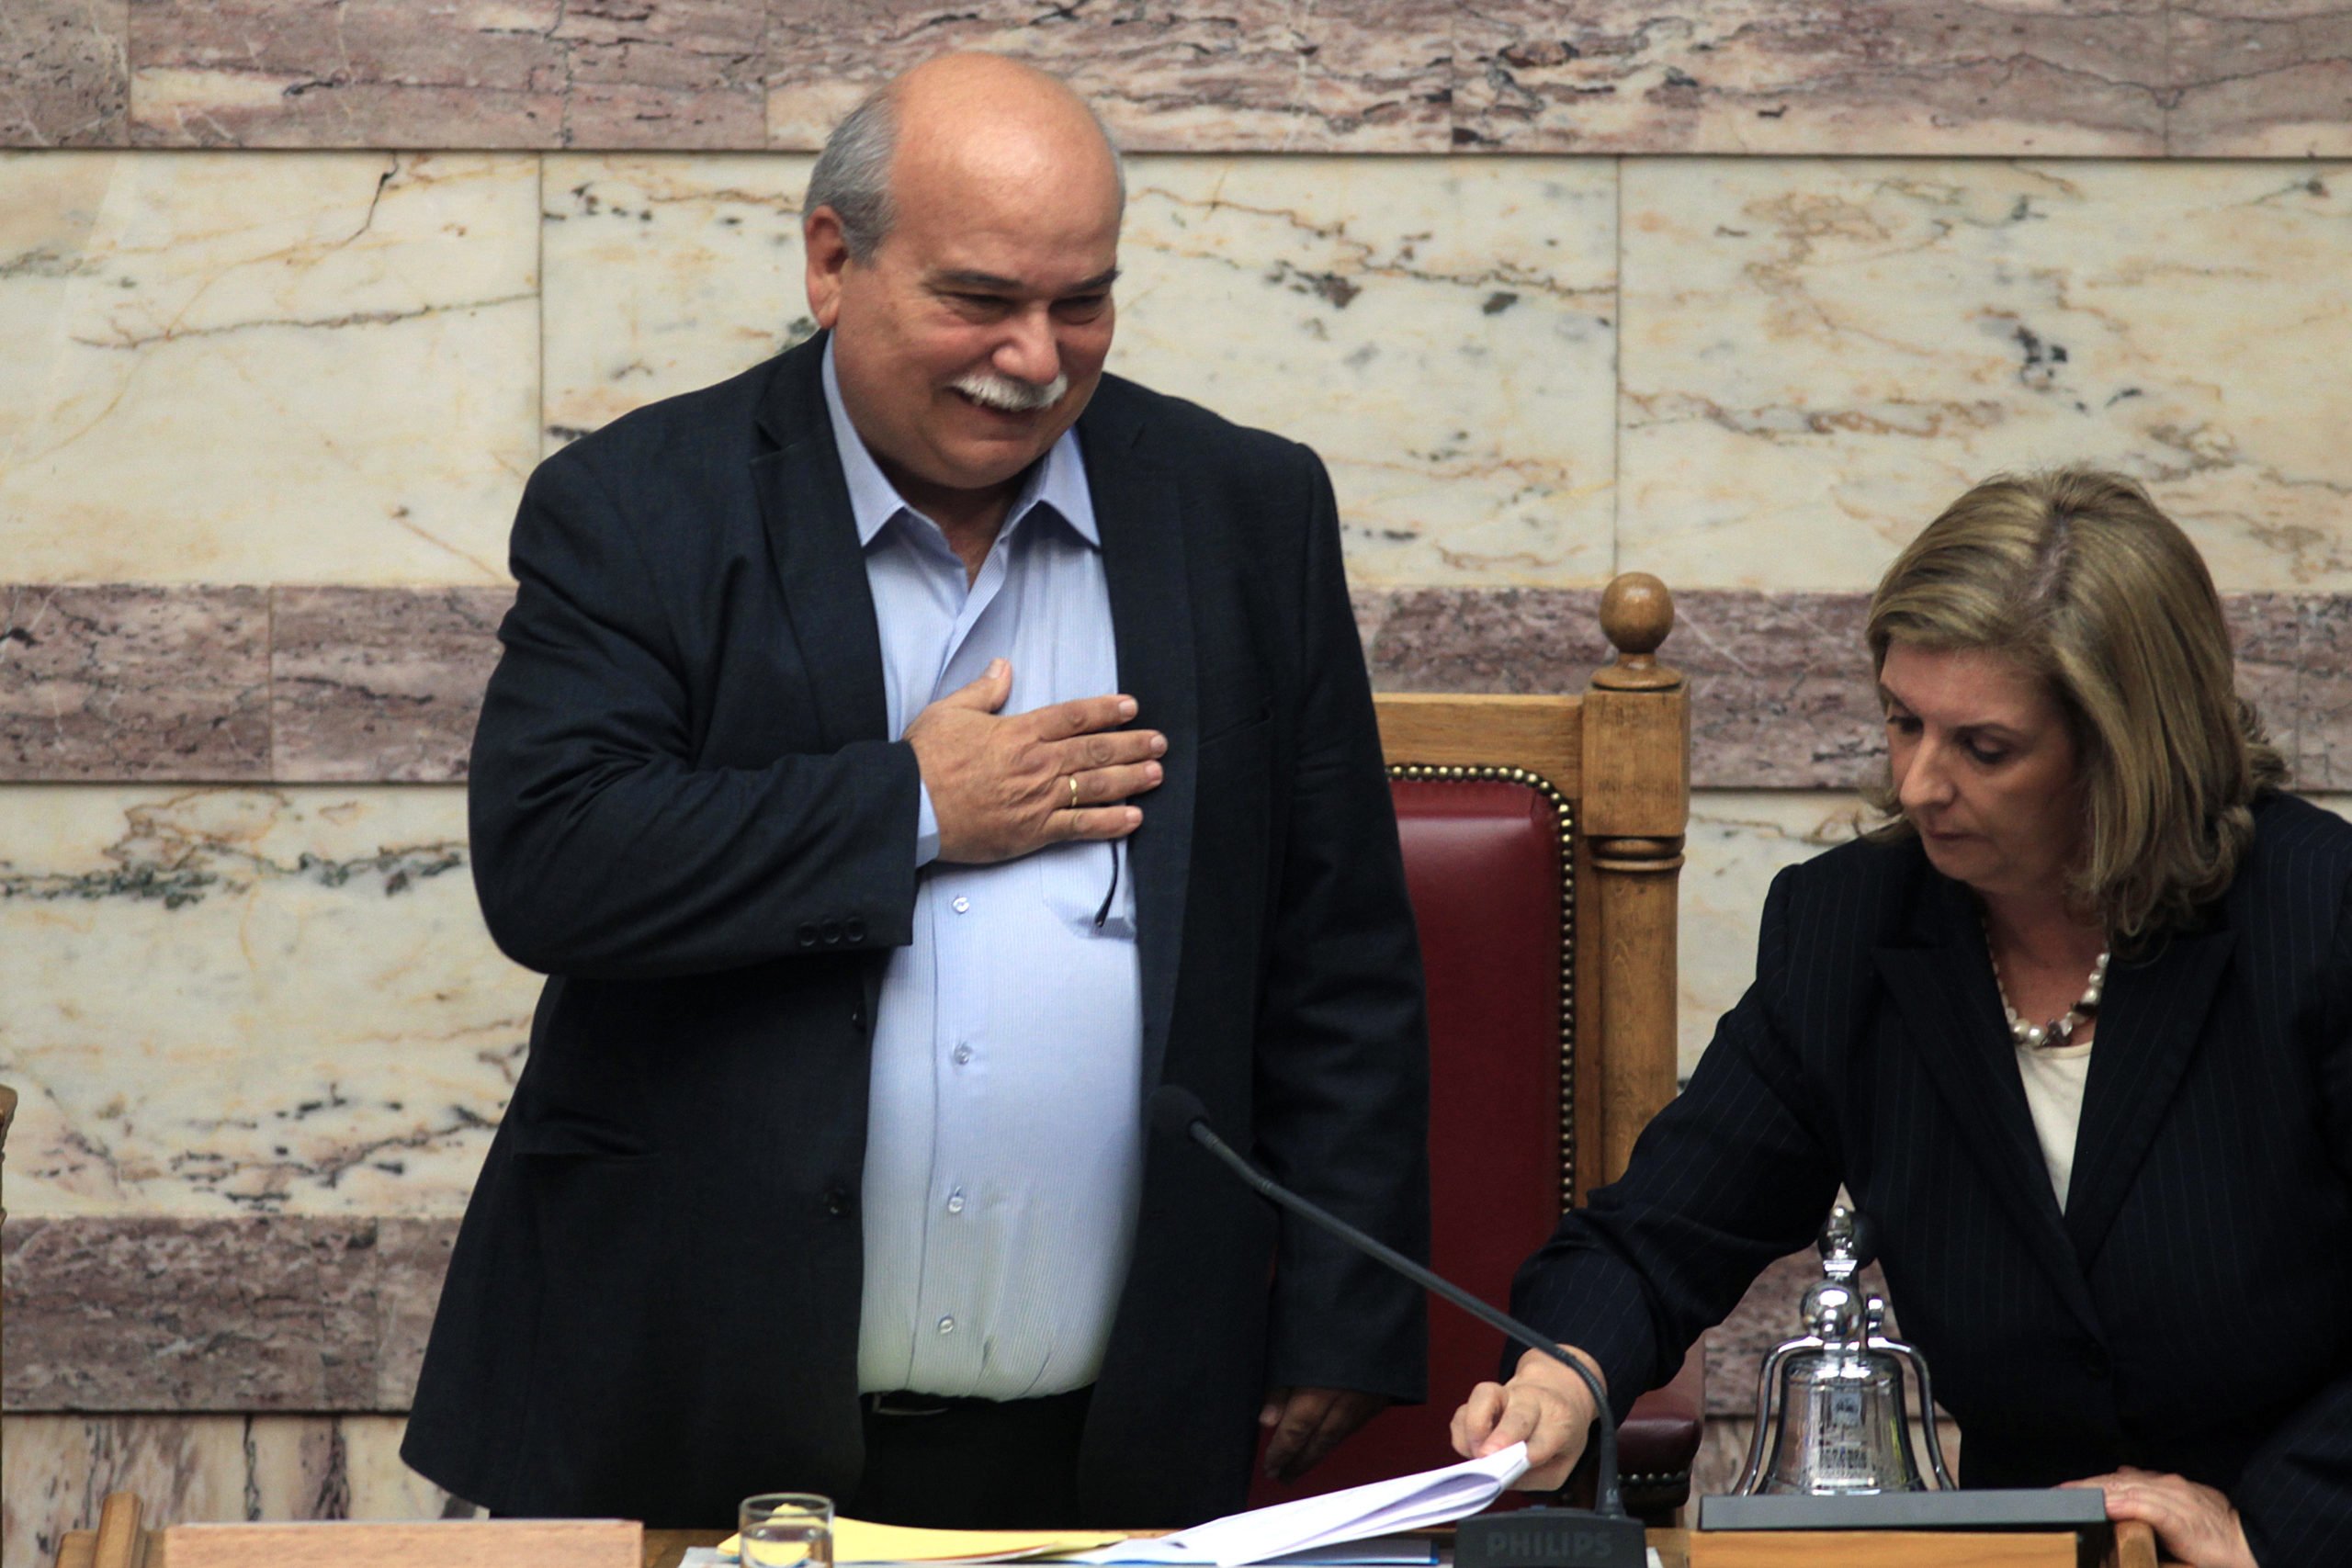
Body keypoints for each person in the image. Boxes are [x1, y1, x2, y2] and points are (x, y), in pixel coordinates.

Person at [401, 52, 1430, 1531]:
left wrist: (1348, 1299)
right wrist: (918, 808)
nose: (1035, 356)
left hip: (1117, 1433)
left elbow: (1336, 939)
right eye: (981, 298)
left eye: (1082, 301)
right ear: (833, 262)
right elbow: (556, 858)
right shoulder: (639, 505)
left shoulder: (1243, 508)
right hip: (690, 1407)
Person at [1450, 470, 2352, 1567]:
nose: (1920, 783)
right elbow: (1660, 1234)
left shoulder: (2317, 916)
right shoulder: (1852, 928)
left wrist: (2267, 1530)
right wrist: (1562, 1374)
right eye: (1901, 720)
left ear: (2125, 746)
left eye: (1983, 747)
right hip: (2026, 1553)